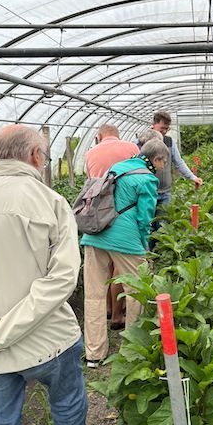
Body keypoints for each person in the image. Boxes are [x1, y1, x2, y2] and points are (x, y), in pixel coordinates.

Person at [0, 125, 110, 425]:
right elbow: (61, 280)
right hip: (48, 341)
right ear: (36, 157)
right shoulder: (50, 202)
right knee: (68, 404)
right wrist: (3, 335)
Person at [81, 139, 169, 368]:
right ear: (157, 159)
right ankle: (132, 348)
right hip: (125, 239)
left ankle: (94, 354)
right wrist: (143, 245)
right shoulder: (148, 179)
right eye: (163, 163)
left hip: (94, 234)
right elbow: (145, 218)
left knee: (93, 296)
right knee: (137, 292)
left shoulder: (117, 168)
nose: (163, 168)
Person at [85, 124, 139, 328]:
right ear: (118, 135)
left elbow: (91, 182)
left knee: (102, 268)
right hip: (124, 212)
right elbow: (139, 178)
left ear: (100, 136)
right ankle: (118, 316)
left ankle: (107, 309)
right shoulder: (131, 149)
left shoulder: (90, 153)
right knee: (120, 267)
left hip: (97, 214)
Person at [149, 111, 204, 233]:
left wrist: (192, 177)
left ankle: (161, 245)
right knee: (149, 226)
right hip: (148, 192)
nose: (164, 131)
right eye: (162, 128)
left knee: (163, 225)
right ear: (154, 124)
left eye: (167, 128)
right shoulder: (142, 141)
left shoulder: (169, 141)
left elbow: (179, 162)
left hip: (165, 192)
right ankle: (151, 246)